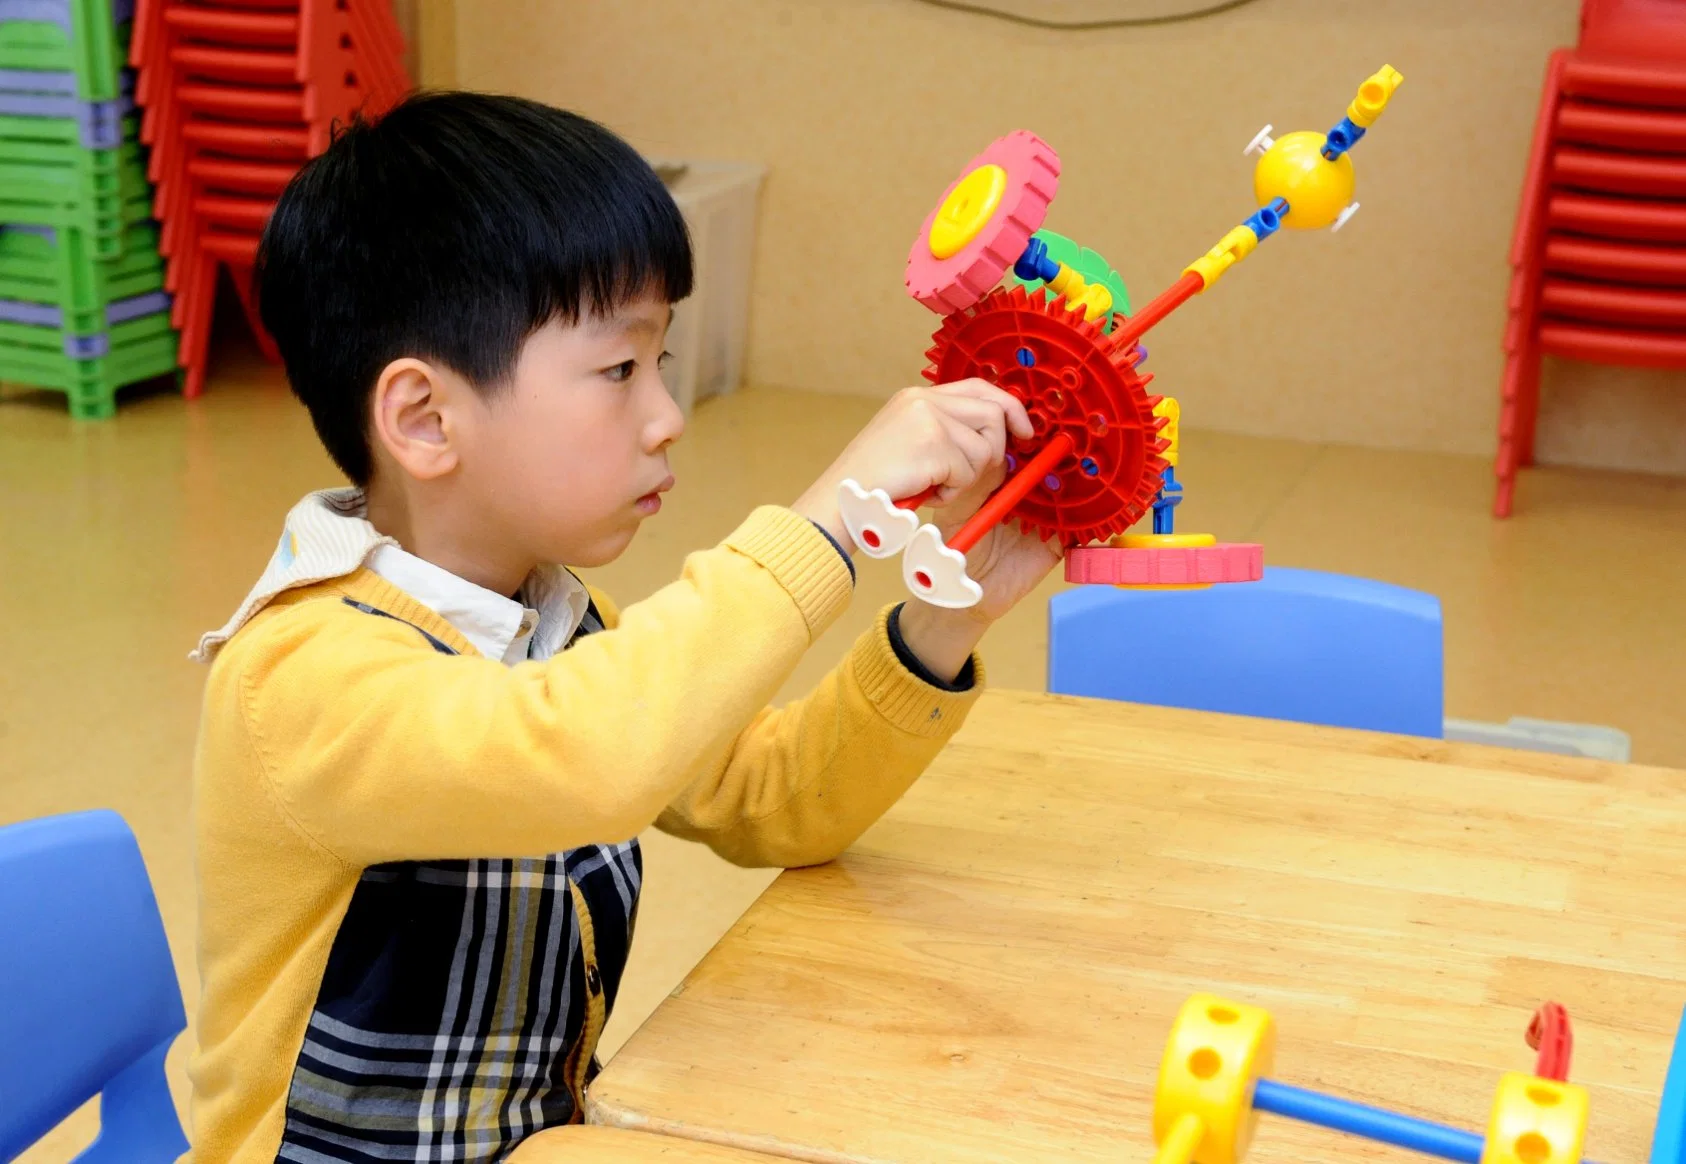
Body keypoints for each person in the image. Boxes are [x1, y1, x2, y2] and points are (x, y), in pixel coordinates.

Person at [185, 91, 1061, 1163]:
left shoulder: (549, 618)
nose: (667, 415)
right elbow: (577, 754)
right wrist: (830, 517)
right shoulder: (300, 676)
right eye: (618, 370)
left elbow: (770, 798)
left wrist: (941, 619)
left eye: (664, 363)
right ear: (424, 420)